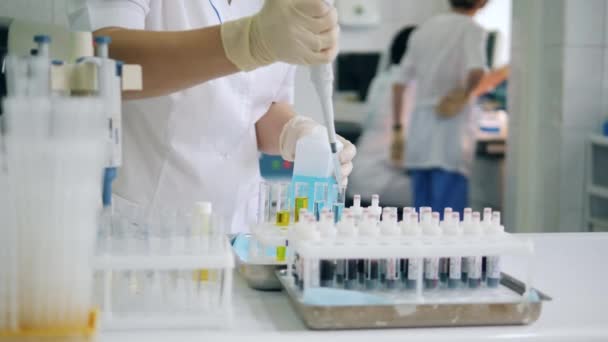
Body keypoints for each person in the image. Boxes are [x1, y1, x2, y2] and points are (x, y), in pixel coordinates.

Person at [67, 0, 356, 232]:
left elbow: (261, 106)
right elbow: (106, 59)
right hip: (142, 231)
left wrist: (297, 132)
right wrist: (246, 42)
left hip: (238, 233)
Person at [390, 0, 490, 215]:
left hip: (420, 132)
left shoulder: (424, 30)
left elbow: (399, 85)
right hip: (450, 132)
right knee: (449, 221)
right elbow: (477, 72)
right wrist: (462, 95)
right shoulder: (471, 28)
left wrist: (397, 131)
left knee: (421, 218)